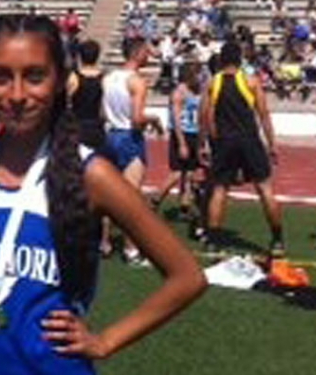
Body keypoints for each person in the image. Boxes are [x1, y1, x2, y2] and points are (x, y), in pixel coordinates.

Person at [0, 14, 205, 375]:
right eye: (0, 77)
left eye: (34, 76)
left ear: (61, 81)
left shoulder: (92, 174)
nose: (16, 94)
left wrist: (104, 341)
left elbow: (187, 276)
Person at [200, 40, 285, 256]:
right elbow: (263, 114)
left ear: (221, 60)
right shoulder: (251, 81)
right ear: (240, 59)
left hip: (224, 142)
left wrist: (205, 143)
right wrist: (272, 143)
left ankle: (213, 241)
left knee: (220, 189)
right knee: (264, 188)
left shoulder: (212, 83)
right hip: (249, 140)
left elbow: (206, 117)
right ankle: (277, 240)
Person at [101, 37, 165, 264]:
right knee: (131, 198)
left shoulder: (108, 78)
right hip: (129, 137)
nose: (149, 56)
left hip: (110, 135)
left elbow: (102, 113)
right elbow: (137, 119)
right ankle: (131, 249)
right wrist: (154, 120)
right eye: (147, 52)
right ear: (138, 53)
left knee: (108, 194)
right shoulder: (137, 81)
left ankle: (104, 242)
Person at [152, 62, 204, 229]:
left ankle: (184, 206)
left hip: (195, 134)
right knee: (177, 172)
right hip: (182, 134)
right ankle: (156, 199)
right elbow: (176, 119)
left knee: (190, 173)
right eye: (197, 73)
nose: (200, 77)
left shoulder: (198, 91)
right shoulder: (179, 92)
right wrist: (181, 142)